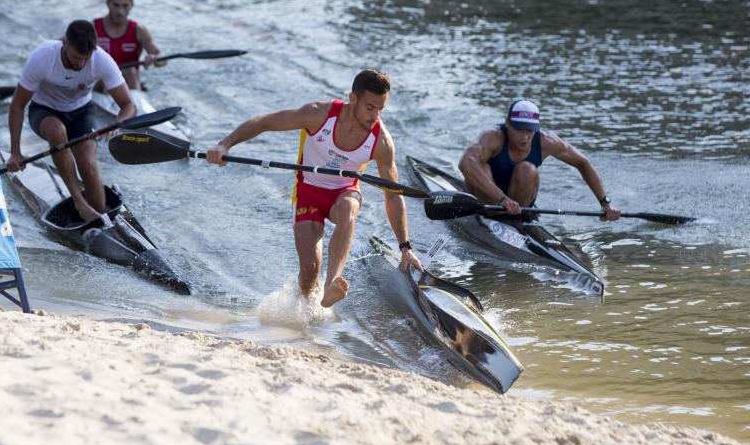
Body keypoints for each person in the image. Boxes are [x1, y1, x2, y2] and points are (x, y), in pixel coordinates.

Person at [206, 69, 422, 308]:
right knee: (309, 271)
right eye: (370, 107)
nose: (375, 115)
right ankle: (306, 313)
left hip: (344, 192)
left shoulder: (381, 142)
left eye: (381, 109)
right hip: (308, 190)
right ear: (353, 98)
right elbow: (264, 122)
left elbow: (393, 195)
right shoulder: (318, 115)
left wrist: (405, 247)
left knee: (349, 207)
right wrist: (224, 145)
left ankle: (332, 283)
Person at [6, 20, 136, 222]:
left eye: (85, 58)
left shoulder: (101, 60)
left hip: (80, 113)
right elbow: (17, 105)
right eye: (76, 57)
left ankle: (103, 222)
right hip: (43, 111)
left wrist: (117, 123)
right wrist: (15, 152)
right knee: (58, 132)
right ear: (64, 43)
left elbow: (129, 105)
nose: (80, 64)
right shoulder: (42, 57)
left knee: (88, 165)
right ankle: (79, 202)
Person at [459, 98, 621, 221]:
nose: (525, 137)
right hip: (487, 201)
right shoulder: (493, 137)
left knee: (527, 169)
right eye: (519, 129)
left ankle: (516, 220)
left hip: (518, 204)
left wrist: (605, 203)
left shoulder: (547, 141)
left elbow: (583, 163)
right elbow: (465, 162)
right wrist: (502, 199)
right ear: (508, 123)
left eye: (530, 130)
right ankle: (495, 215)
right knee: (481, 165)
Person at [94, 0, 164, 90]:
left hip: (129, 82)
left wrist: (155, 59)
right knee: (107, 75)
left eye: (125, 6)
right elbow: (64, 46)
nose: (120, 11)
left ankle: (133, 103)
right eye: (116, 5)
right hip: (101, 84)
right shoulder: (93, 28)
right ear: (108, 3)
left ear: (132, 5)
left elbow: (162, 59)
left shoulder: (139, 31)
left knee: (130, 71)